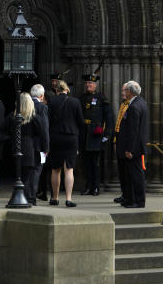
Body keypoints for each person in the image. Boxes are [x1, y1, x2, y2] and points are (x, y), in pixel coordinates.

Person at [3, 93, 46, 206]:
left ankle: (23, 197)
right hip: (28, 147)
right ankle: (27, 198)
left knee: (20, 174)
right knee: (27, 176)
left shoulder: (13, 116)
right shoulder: (33, 117)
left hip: (16, 146)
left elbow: (3, 129)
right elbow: (42, 131)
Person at [47, 79, 84, 207]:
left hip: (55, 137)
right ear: (67, 89)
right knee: (69, 169)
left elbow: (48, 121)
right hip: (71, 137)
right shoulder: (75, 102)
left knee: (55, 169)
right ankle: (68, 198)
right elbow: (81, 122)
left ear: (56, 90)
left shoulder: (52, 101)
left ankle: (55, 197)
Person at [116, 80, 149, 208]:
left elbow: (133, 131)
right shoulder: (140, 103)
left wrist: (129, 149)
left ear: (129, 92)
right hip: (137, 146)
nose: (124, 92)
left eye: (125, 90)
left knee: (136, 175)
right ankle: (130, 199)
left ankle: (138, 201)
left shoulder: (135, 106)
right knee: (131, 174)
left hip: (134, 147)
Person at [79, 74, 113, 196]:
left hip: (96, 135)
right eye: (87, 83)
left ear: (95, 85)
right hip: (84, 134)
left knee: (96, 164)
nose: (89, 85)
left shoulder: (101, 98)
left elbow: (108, 117)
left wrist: (107, 133)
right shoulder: (81, 98)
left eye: (91, 83)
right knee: (86, 163)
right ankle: (88, 186)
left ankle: (96, 187)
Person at [29, 84, 50, 205]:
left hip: (26, 143)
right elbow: (44, 129)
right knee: (36, 170)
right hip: (38, 144)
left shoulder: (25, 104)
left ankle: (27, 194)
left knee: (27, 170)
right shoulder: (42, 107)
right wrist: (46, 147)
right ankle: (31, 196)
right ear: (42, 96)